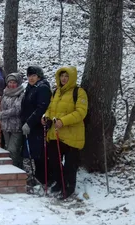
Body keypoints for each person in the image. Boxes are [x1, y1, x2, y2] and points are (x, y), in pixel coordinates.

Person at [43, 66, 88, 199]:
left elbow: (81, 112)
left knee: (70, 164)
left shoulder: (79, 92)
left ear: (72, 78)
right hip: (55, 133)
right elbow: (50, 109)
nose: (64, 78)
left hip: (72, 135)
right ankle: (59, 182)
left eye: (66, 76)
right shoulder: (56, 91)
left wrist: (63, 121)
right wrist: (45, 117)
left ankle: (69, 186)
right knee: (54, 161)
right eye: (62, 76)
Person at [21, 66, 52, 186]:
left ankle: (44, 178)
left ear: (39, 76)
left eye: (34, 75)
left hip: (38, 126)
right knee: (34, 153)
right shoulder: (30, 88)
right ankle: (38, 177)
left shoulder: (42, 88)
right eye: (29, 76)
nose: (31, 78)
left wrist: (29, 123)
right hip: (30, 125)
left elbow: (41, 108)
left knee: (39, 154)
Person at [0, 73, 25, 169]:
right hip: (6, 127)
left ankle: (14, 170)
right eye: (10, 82)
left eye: (14, 82)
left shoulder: (21, 94)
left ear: (18, 83)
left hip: (16, 126)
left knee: (13, 150)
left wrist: (2, 114)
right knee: (8, 150)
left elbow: (17, 109)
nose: (12, 84)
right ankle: (18, 168)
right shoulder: (5, 92)